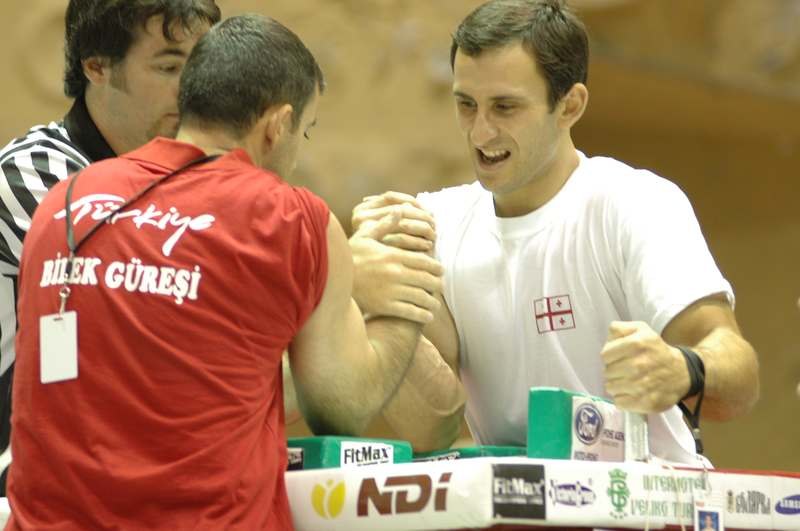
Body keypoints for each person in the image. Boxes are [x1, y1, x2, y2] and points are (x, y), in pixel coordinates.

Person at [6, 14, 438, 530]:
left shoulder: (67, 201)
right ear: (278, 125)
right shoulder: (289, 217)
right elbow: (341, 408)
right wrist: (407, 292)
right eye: (306, 130)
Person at [351, 0, 759, 463]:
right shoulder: (433, 225)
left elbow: (740, 380)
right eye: (467, 105)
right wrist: (370, 289)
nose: (481, 134)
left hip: (649, 507)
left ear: (570, 106)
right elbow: (432, 424)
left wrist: (684, 369)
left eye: (505, 107)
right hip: (519, 507)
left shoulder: (633, 203)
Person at [0, 0, 222, 494]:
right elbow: (153, 306)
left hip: (138, 484)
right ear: (96, 65)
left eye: (202, 65)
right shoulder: (32, 174)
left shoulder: (195, 181)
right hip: (26, 495)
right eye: (169, 66)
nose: (196, 90)